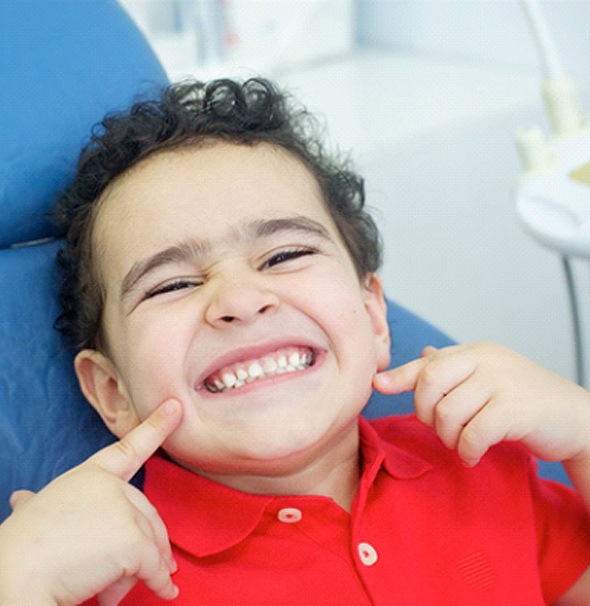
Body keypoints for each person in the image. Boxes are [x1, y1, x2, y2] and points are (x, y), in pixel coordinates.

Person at [0, 77, 590, 605]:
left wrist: (583, 432)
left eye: (285, 255)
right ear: (112, 391)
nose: (239, 299)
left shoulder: (481, 468)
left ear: (373, 319)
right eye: (173, 284)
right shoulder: (112, 576)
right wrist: (18, 580)